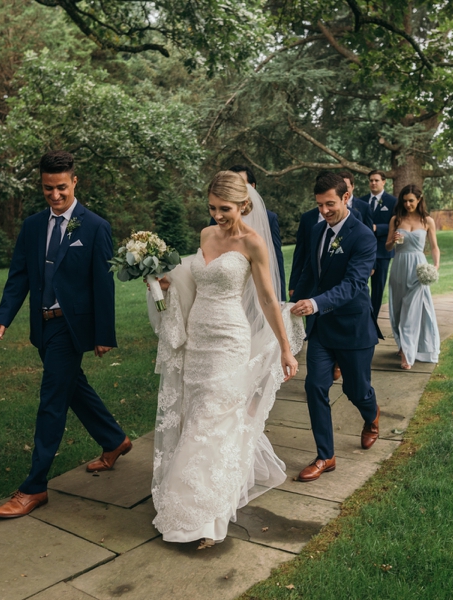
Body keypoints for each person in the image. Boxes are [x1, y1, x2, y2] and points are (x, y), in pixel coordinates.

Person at [149, 171, 303, 547]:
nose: (218, 215)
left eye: (225, 209)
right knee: (196, 416)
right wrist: (163, 281)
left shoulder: (253, 243)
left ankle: (207, 518)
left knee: (211, 419)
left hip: (229, 339)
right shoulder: (206, 235)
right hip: (198, 337)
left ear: (244, 205)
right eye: (212, 208)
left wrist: (285, 347)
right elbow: (191, 279)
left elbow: (267, 298)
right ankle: (189, 502)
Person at [0, 151, 130, 518]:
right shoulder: (33, 226)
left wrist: (103, 333)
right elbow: (20, 274)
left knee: (52, 400)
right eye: (47, 188)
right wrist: (4, 315)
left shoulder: (94, 226)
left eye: (62, 187)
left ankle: (34, 487)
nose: (55, 195)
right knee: (72, 388)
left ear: (74, 182)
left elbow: (103, 285)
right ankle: (114, 440)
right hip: (43, 325)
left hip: (72, 327)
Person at [290, 173, 381, 482]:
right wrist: (291, 301)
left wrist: (315, 303)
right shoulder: (317, 230)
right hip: (321, 329)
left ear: (345, 197)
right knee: (315, 386)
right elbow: (310, 272)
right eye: (319, 205)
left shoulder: (363, 236)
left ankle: (371, 415)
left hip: (353, 328)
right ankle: (325, 456)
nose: (324, 211)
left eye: (330, 204)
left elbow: (354, 284)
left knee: (356, 391)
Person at [209, 164, 286, 301]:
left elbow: (276, 257)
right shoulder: (216, 219)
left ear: (252, 186)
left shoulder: (269, 218)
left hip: (259, 285)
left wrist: (280, 297)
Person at [386, 184, 441, 369]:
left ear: (419, 200)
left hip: (418, 268)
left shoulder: (427, 221)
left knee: (413, 310)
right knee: (398, 309)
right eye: (405, 201)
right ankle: (403, 345)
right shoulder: (396, 219)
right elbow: (387, 246)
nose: (408, 204)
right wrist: (392, 241)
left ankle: (407, 356)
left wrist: (435, 266)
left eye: (411, 201)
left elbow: (434, 247)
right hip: (399, 266)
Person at [364, 170, 397, 317]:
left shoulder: (393, 201)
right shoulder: (362, 201)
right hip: (364, 250)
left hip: (382, 250)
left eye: (376, 180)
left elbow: (397, 224)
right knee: (360, 286)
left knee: (378, 288)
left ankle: (373, 319)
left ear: (383, 182)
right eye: (371, 180)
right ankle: (362, 317)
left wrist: (378, 228)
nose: (373, 183)